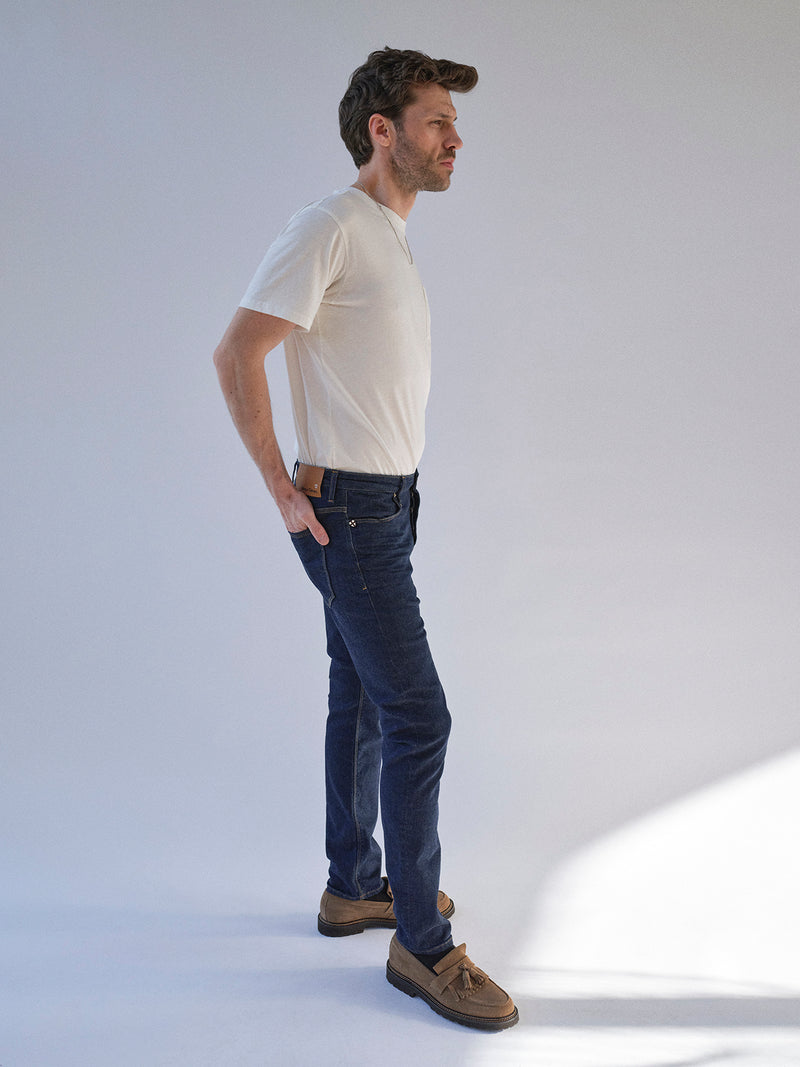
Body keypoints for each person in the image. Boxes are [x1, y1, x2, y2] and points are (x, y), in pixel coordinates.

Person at [213, 47, 518, 1031]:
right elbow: (237, 349)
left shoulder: (385, 232)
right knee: (417, 713)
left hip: (385, 506)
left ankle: (355, 881)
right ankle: (421, 944)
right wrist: (277, 484)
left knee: (363, 688)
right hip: (346, 511)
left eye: (450, 123)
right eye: (435, 121)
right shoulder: (332, 224)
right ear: (381, 131)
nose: (453, 138)